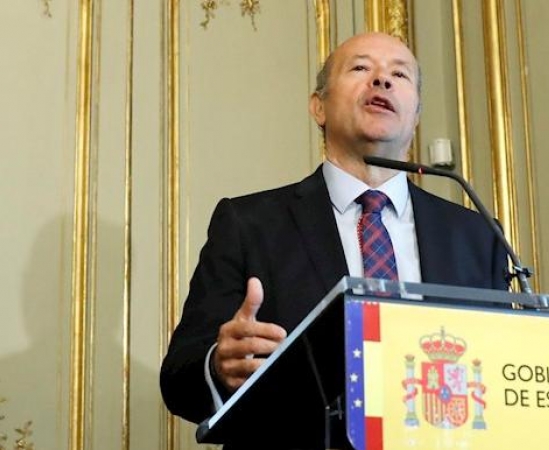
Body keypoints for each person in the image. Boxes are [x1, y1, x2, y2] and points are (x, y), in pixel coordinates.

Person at [160, 31, 510, 449]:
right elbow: (179, 377)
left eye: (399, 74)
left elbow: (499, 382)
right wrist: (219, 365)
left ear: (415, 117)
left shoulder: (475, 235)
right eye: (361, 68)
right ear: (318, 106)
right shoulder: (249, 223)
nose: (381, 80)